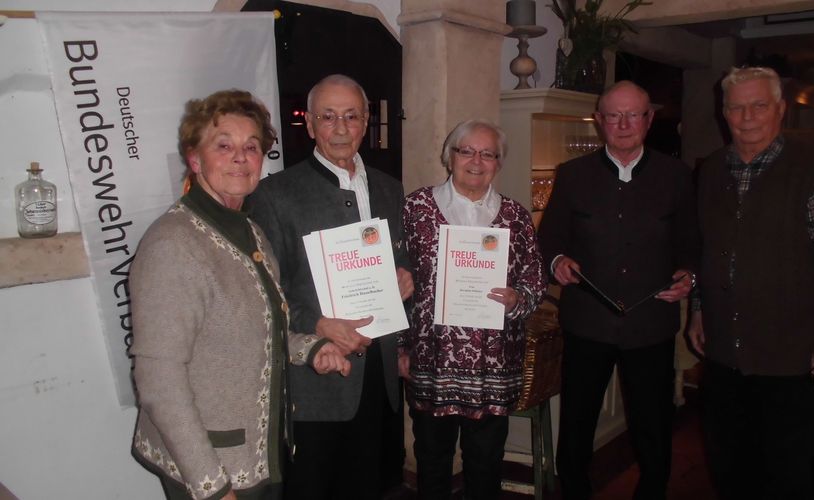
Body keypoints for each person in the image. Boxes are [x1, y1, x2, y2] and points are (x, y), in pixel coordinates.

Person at [130, 90, 350, 500]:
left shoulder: (250, 232)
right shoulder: (173, 244)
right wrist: (211, 486)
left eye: (251, 147)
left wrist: (311, 348)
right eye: (224, 145)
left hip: (258, 449)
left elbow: (260, 332)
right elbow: (159, 382)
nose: (240, 157)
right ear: (195, 160)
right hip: (212, 462)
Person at [688, 66, 814, 500]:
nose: (747, 117)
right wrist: (698, 308)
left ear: (780, 110)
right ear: (723, 113)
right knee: (730, 467)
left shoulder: (812, 169)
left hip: (792, 357)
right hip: (725, 354)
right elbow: (703, 250)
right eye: (736, 107)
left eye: (759, 106)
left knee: (788, 474)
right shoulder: (710, 170)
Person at [247, 74, 413, 500]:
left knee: (370, 484)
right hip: (315, 377)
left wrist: (406, 275)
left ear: (366, 121)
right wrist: (318, 324)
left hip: (377, 372)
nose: (341, 128)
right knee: (314, 488)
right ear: (310, 123)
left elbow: (402, 258)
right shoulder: (274, 195)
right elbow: (266, 292)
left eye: (352, 116)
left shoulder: (391, 189)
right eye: (329, 116)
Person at [537, 80, 700, 500]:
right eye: (614, 115)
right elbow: (550, 239)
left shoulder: (676, 175)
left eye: (634, 114)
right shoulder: (572, 174)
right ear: (599, 121)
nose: (624, 123)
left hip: (651, 324)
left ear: (648, 120)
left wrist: (688, 276)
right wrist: (558, 261)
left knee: (653, 425)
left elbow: (692, 245)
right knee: (577, 423)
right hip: (588, 323)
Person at [400, 118, 546, 500]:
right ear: (450, 157)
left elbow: (535, 281)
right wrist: (401, 347)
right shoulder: (416, 208)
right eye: (467, 151)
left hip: (493, 368)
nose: (476, 161)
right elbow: (397, 282)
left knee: (485, 464)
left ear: (499, 163)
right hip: (433, 364)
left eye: (488, 154)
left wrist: (518, 299)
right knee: (432, 460)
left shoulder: (515, 216)